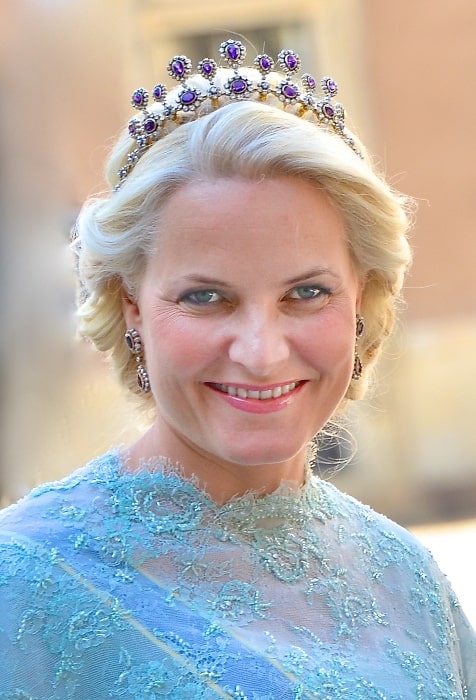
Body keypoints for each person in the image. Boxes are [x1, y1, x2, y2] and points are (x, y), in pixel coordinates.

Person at [0, 38, 474, 699]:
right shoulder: (23, 582)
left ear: (362, 298)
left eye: (306, 293)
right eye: (205, 297)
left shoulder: (412, 579)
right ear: (129, 305)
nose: (262, 351)